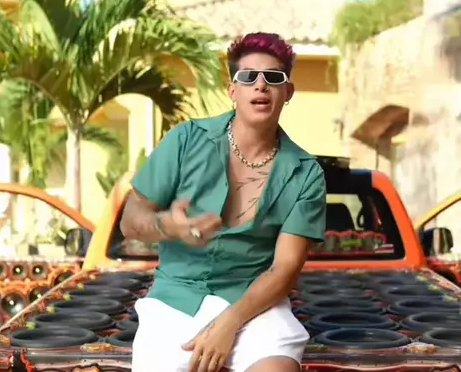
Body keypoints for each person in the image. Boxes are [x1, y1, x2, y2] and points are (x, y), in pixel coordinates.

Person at [120, 32, 327, 372]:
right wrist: (167, 226)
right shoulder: (186, 140)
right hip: (175, 298)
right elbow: (130, 219)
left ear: (288, 92)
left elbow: (285, 269)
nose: (261, 85)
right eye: (248, 77)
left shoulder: (305, 173)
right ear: (233, 90)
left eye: (273, 77)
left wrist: (229, 322)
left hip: (255, 304)